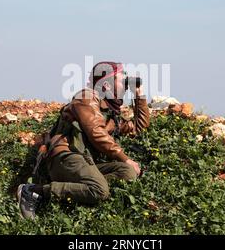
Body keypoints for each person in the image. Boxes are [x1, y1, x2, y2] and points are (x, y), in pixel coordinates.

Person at [17, 61, 150, 219]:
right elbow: (95, 132)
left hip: (86, 161)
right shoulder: (86, 97)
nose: (126, 83)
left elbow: (138, 126)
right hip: (67, 156)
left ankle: (83, 188)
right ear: (107, 85)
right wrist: (125, 158)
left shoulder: (110, 112)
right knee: (100, 189)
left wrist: (139, 95)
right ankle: (34, 191)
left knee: (127, 173)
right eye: (122, 79)